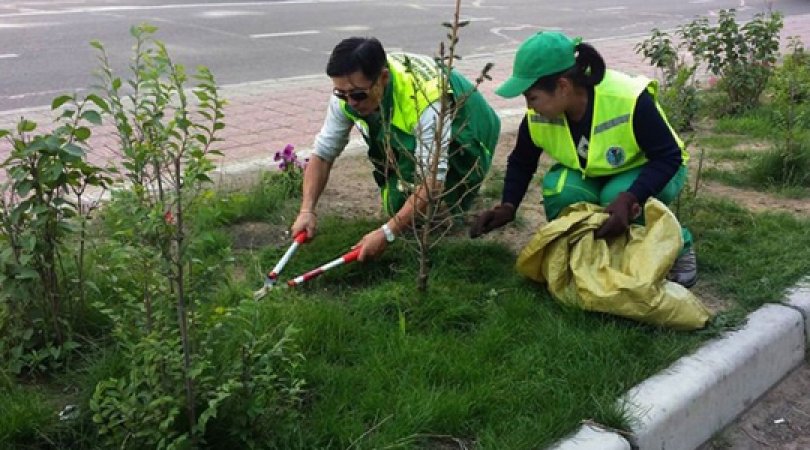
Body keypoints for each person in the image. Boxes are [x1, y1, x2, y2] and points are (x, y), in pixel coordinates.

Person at [469, 31, 697, 288]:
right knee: (562, 192)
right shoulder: (538, 117)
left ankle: (680, 246)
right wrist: (508, 207)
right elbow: (522, 161)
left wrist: (630, 197)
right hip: (594, 172)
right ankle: (591, 253)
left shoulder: (627, 100)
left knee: (615, 197)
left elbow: (668, 157)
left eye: (532, 97)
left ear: (563, 86)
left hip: (652, 168)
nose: (530, 107)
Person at [292, 37, 501, 261]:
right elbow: (323, 155)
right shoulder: (347, 94)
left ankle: (446, 211)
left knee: (436, 209)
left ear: (383, 78)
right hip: (411, 124)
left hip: (469, 126)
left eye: (357, 95)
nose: (349, 102)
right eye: (341, 93)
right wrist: (307, 210)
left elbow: (432, 179)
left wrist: (387, 233)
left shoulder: (426, 100)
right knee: (397, 204)